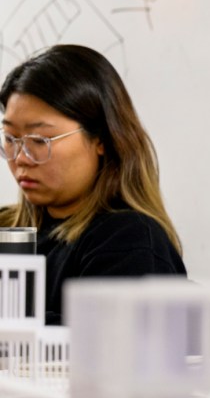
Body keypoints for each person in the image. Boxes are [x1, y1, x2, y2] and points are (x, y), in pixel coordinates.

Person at [0, 44, 186, 325]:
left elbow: (100, 344)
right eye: (11, 139)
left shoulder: (129, 239)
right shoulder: (9, 229)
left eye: (40, 141)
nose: (21, 159)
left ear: (101, 139)